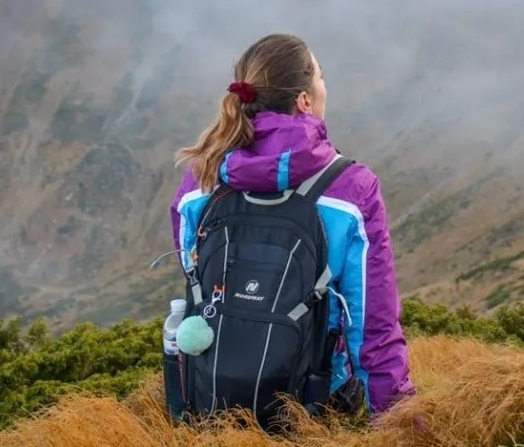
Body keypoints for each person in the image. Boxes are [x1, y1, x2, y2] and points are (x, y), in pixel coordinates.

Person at [168, 33, 415, 419]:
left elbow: (196, 276)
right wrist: (399, 422)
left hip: (210, 397)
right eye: (321, 77)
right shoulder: (352, 189)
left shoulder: (199, 180)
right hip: (313, 406)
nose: (324, 87)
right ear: (304, 99)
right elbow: (372, 327)